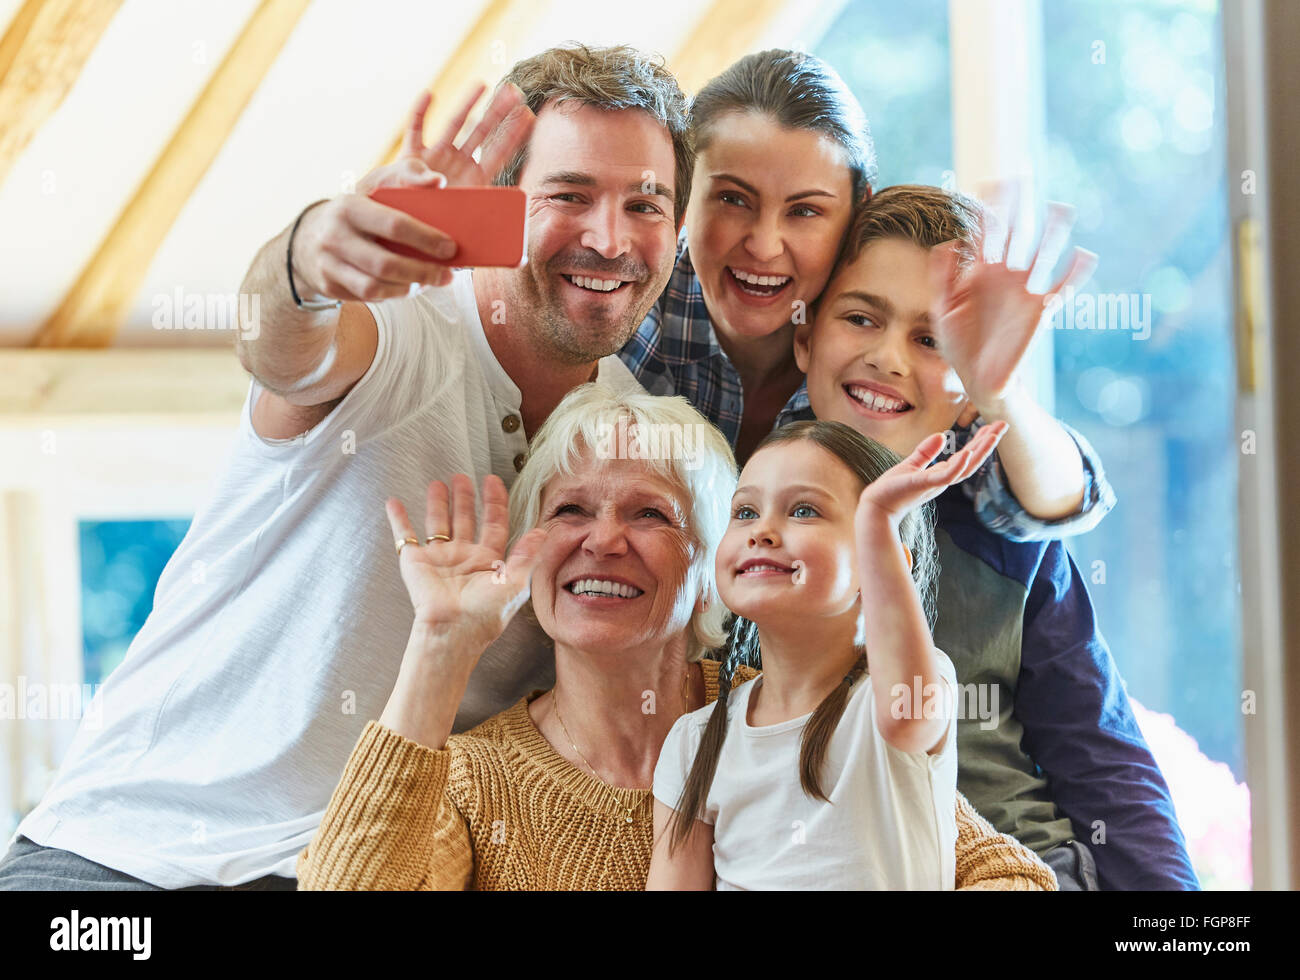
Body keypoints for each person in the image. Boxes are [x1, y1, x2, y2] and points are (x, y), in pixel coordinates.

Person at [0, 44, 691, 891]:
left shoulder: (629, 446)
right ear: (502, 210)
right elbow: (281, 342)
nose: (609, 238)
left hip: (362, 868)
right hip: (124, 861)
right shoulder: (396, 333)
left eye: (644, 204)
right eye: (569, 195)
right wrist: (307, 257)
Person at [298, 384, 1056, 890]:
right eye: (568, 511)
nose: (601, 540)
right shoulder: (473, 780)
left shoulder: (813, 708)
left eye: (649, 514)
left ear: (709, 571)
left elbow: (1005, 874)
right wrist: (441, 644)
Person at [788, 183, 1199, 889]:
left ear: (967, 387)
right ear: (804, 337)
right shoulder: (743, 516)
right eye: (861, 318)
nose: (888, 358)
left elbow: (1104, 761)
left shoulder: (1004, 532)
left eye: (930, 339)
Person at [649, 418, 1022, 889]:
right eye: (744, 511)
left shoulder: (899, 697)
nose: (762, 530)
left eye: (804, 511)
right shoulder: (694, 742)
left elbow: (906, 718)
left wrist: (878, 525)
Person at [619, 49, 869, 465]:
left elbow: (1003, 514)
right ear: (682, 192)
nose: (764, 246)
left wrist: (996, 396)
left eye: (804, 210)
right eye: (733, 199)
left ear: (858, 212)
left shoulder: (885, 335)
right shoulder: (619, 304)